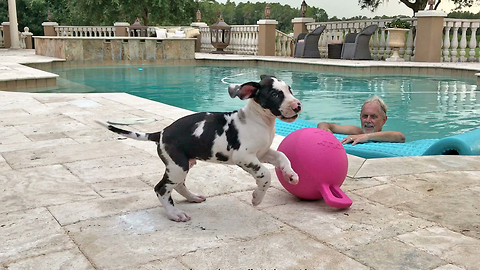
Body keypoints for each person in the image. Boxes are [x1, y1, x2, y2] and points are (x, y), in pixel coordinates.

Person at [317, 96, 406, 145]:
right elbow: (325, 124)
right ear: (360, 117)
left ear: (384, 120)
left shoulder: (388, 136)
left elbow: (400, 137)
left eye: (373, 117)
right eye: (365, 116)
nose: (368, 120)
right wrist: (324, 129)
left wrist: (367, 137)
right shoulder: (356, 131)